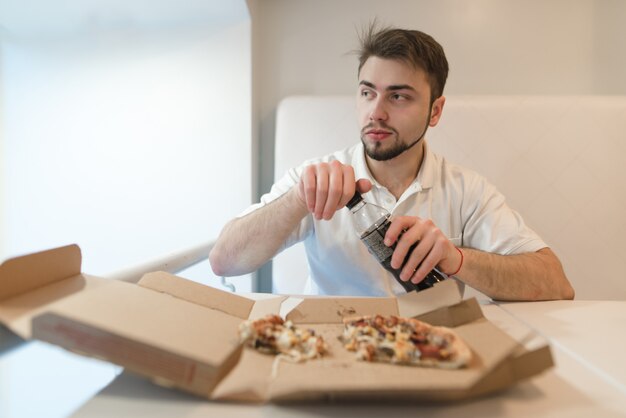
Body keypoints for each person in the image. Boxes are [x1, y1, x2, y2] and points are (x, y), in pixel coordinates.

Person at [209, 25, 574, 301]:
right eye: (367, 92)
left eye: (398, 96)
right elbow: (224, 262)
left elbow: (556, 284)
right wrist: (296, 201)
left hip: (430, 355)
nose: (376, 112)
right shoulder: (316, 178)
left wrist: (456, 259)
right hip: (328, 351)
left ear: (435, 111)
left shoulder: (466, 192)